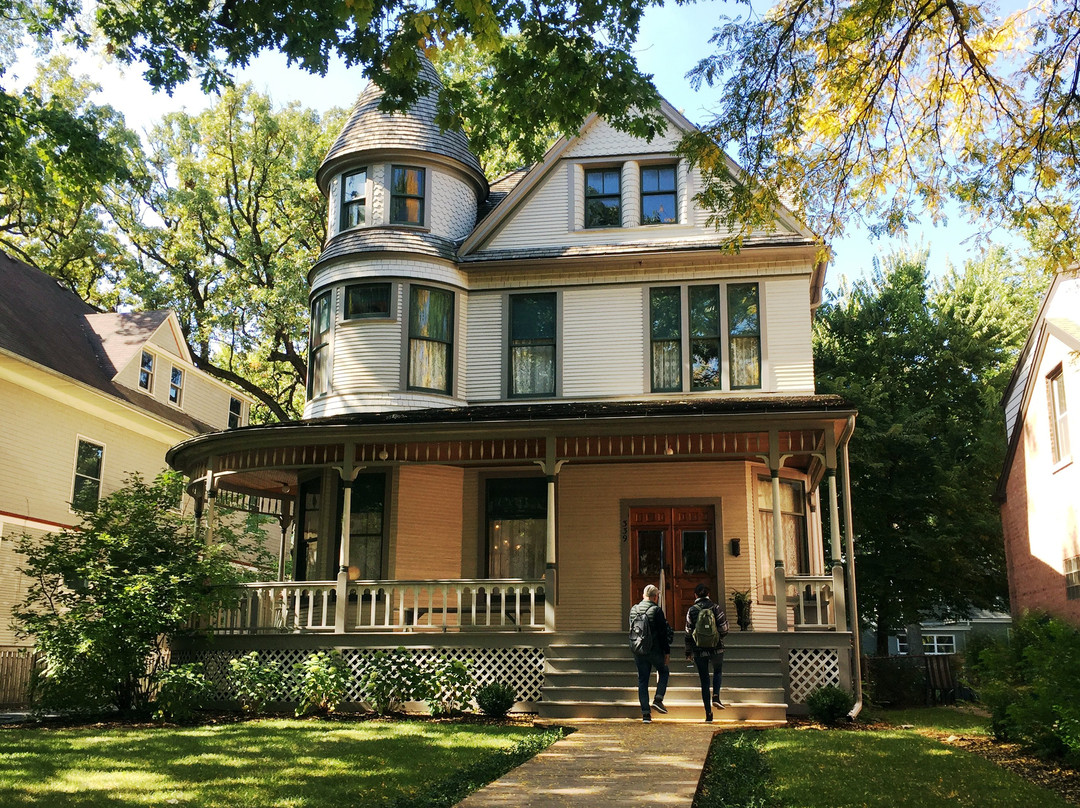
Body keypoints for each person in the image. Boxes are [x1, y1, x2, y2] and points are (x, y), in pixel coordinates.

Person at [685, 583, 729, 723]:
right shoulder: (716, 608)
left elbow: (688, 632)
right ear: (708, 595)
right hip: (716, 648)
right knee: (717, 671)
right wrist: (717, 638)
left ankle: (708, 713)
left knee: (704, 680)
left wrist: (688, 650)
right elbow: (724, 628)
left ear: (695, 595)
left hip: (699, 650)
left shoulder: (692, 610)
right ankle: (716, 695)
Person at [628, 584, 673, 723]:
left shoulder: (633, 609)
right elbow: (662, 633)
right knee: (664, 671)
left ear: (643, 595)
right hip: (654, 650)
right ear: (655, 597)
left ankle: (646, 714)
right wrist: (666, 652)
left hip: (638, 650)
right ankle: (658, 699)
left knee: (642, 680)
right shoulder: (656, 610)